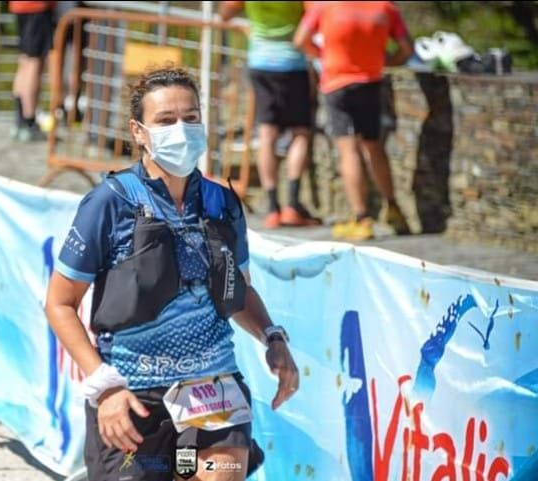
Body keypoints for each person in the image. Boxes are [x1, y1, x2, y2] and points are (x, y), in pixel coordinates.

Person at [44, 67, 299, 481]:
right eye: (165, 121)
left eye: (190, 118)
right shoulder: (109, 203)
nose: (181, 130)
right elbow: (60, 303)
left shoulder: (222, 203)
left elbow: (239, 291)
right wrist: (104, 386)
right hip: (133, 395)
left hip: (212, 391)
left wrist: (272, 336)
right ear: (139, 132)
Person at [295, 1, 413, 241]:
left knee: (348, 150)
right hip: (371, 82)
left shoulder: (325, 5)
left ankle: (361, 218)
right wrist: (386, 61)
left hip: (337, 83)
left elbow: (300, 40)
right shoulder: (385, 7)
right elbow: (406, 49)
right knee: (374, 146)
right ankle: (393, 208)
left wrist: (323, 55)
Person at [220, 1, 321, 229]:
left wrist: (246, 24)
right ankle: (292, 205)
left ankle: (273, 208)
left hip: (261, 62)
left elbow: (226, 13)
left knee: (267, 134)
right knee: (300, 133)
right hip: (293, 63)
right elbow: (317, 14)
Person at [9, 0, 56, 142]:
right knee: (34, 63)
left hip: (20, 7)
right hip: (37, 8)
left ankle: (20, 121)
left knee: (25, 61)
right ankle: (29, 121)